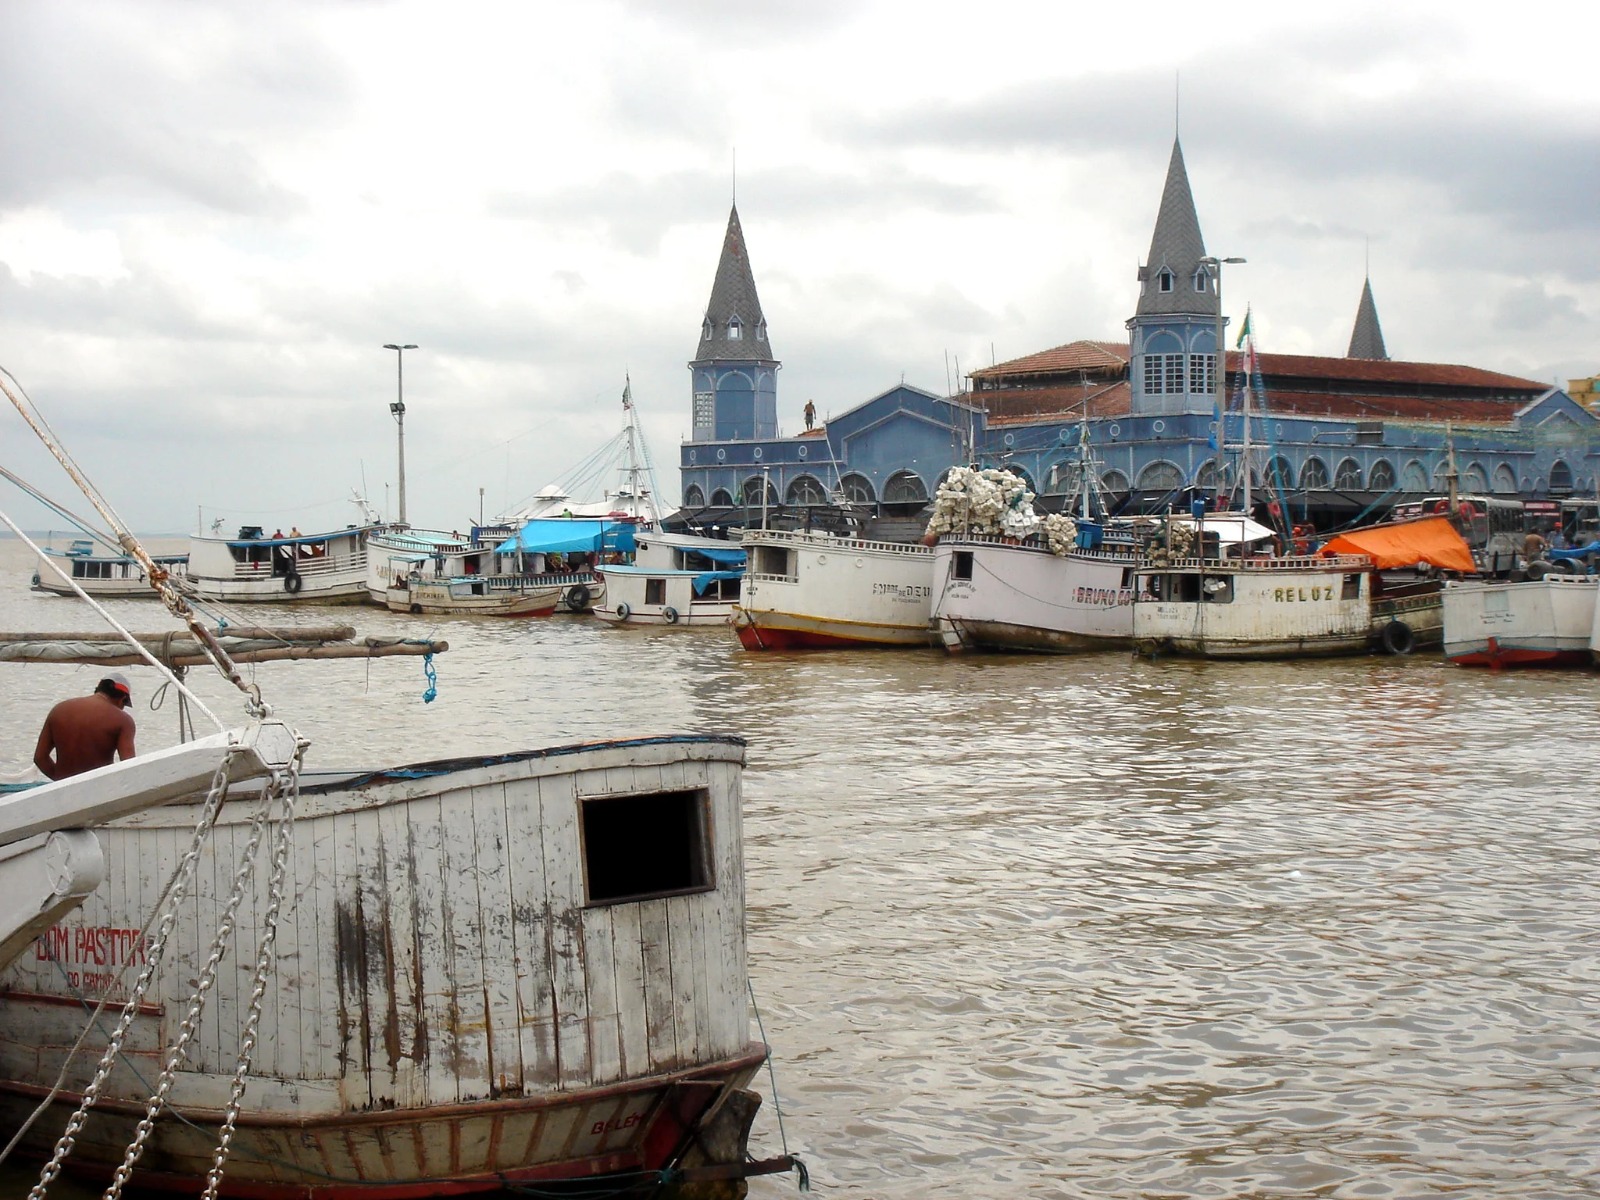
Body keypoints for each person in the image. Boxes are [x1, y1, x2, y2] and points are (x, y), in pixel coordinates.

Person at [34, 674, 137, 781]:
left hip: (63, 787)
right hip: (99, 788)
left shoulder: (58, 709)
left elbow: (40, 758)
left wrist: (59, 780)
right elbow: (128, 766)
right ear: (123, 699)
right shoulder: (123, 720)